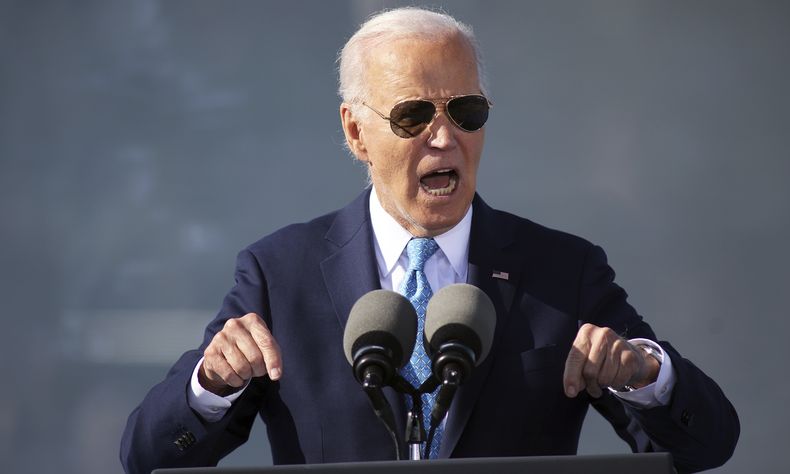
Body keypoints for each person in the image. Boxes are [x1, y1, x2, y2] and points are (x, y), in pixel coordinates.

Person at [120, 7, 738, 474]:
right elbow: (147, 456)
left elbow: (707, 445)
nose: (444, 138)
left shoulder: (562, 270)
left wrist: (645, 373)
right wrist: (212, 384)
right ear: (356, 132)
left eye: (465, 111)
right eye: (413, 115)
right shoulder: (280, 273)